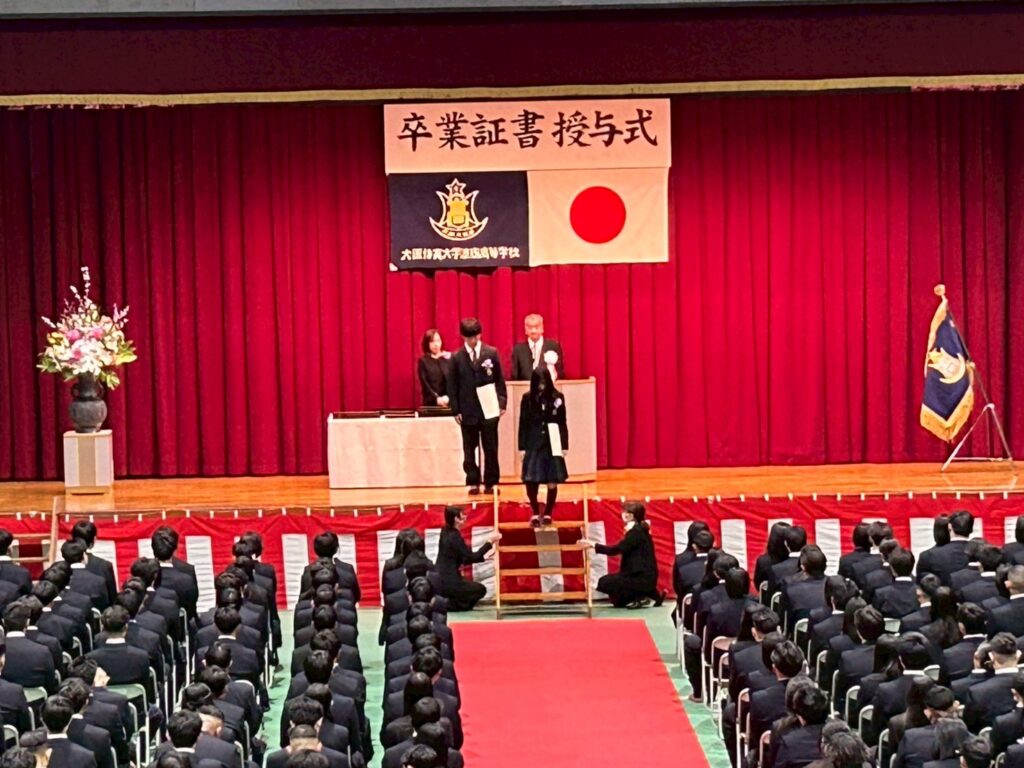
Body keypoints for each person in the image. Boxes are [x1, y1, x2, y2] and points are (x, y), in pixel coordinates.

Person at [446, 317, 507, 495]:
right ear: (463, 337)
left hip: (489, 408)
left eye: (475, 336)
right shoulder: (457, 358)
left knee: (491, 447)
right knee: (469, 448)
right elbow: (452, 386)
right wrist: (455, 410)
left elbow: (499, 379)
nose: (473, 340)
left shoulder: (491, 353)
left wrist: (502, 401)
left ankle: (491, 482)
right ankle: (472, 480)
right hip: (467, 409)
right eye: (469, 338)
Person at [580, 502, 664, 609]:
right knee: (617, 601)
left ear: (632, 515)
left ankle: (640, 596)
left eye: (626, 512)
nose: (623, 514)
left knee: (604, 582)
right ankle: (649, 594)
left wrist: (593, 544)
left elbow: (615, 550)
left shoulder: (636, 533)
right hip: (645, 576)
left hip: (640, 577)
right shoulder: (641, 530)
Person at [517, 367, 568, 527]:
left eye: (544, 383)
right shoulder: (527, 398)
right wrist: (521, 447)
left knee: (552, 479)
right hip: (533, 443)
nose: (541, 386)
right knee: (531, 479)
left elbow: (562, 422)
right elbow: (523, 423)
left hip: (552, 442)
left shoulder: (557, 397)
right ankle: (534, 511)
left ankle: (548, 512)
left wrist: (564, 445)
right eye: (539, 383)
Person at [435, 507, 500, 612]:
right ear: (456, 519)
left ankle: (451, 602)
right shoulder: (455, 537)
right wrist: (489, 542)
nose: (465, 517)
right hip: (449, 581)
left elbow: (462, 557)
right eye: (462, 515)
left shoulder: (445, 531)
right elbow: (470, 557)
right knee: (480, 589)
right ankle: (451, 605)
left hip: (439, 578)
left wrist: (483, 557)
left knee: (467, 585)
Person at [510, 313, 564, 381]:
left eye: (536, 327)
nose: (533, 331)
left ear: (542, 328)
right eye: (530, 328)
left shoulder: (553, 346)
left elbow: (560, 372)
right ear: (525, 329)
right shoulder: (518, 349)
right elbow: (515, 376)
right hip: (526, 386)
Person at [417, 329, 452, 408]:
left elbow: (453, 381)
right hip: (431, 403)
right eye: (432, 341)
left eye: (438, 341)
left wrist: (448, 397)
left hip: (448, 402)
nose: (436, 344)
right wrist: (436, 399)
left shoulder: (448, 358)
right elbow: (425, 384)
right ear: (427, 343)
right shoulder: (423, 361)